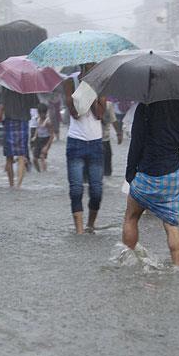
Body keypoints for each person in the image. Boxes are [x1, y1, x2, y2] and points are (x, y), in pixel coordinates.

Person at [123, 100, 179, 266]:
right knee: (171, 223)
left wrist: (130, 173)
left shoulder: (145, 108)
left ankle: (127, 262)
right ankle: (178, 267)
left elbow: (136, 143)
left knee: (131, 217)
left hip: (146, 173)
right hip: (171, 176)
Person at [63, 67, 106, 234]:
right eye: (87, 64)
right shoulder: (70, 81)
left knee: (96, 190)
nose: (90, 66)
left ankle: (90, 225)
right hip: (76, 142)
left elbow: (99, 114)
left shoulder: (101, 83)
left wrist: (92, 89)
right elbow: (75, 113)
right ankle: (80, 231)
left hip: (96, 143)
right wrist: (83, 88)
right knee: (76, 189)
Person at [0, 88, 38, 188]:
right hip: (23, 123)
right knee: (22, 156)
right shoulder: (28, 87)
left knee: (9, 157)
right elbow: (34, 104)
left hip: (9, 122)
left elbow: (1, 107)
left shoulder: (4, 87)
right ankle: (19, 186)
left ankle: (11, 185)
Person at [31, 103, 52, 172]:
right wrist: (35, 136)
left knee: (42, 157)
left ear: (45, 113)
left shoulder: (48, 122)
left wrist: (47, 146)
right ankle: (39, 172)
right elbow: (37, 128)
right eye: (40, 113)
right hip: (38, 140)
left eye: (43, 113)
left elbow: (52, 135)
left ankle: (45, 172)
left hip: (45, 140)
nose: (41, 115)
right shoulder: (38, 119)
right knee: (34, 159)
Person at [101, 103, 121, 176]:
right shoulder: (108, 105)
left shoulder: (85, 103)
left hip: (89, 140)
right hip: (104, 140)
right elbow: (114, 120)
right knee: (107, 171)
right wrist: (119, 133)